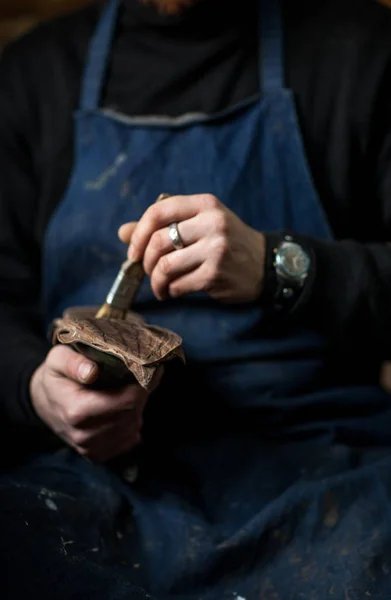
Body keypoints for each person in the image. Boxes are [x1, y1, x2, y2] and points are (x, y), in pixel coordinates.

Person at [1, 0, 391, 597]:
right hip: (94, 484)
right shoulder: (34, 76)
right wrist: (35, 389)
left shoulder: (363, 50)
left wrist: (278, 264)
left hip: (332, 471)